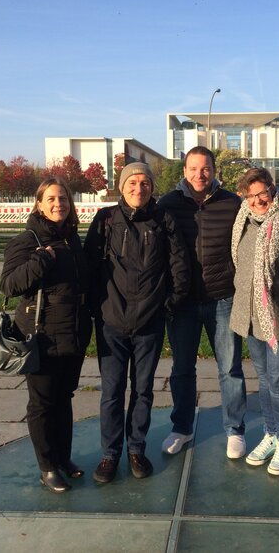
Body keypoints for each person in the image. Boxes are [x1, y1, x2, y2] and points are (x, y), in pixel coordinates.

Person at [84, 162, 189, 483]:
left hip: (150, 324)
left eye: (144, 183)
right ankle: (110, 453)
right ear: (122, 185)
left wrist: (166, 307)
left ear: (151, 187)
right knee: (112, 392)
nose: (138, 188)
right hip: (111, 323)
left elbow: (179, 267)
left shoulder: (163, 220)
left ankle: (136, 449)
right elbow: (88, 267)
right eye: (132, 182)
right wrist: (96, 308)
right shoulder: (106, 220)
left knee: (143, 391)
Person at [0, 177, 92, 493]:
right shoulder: (28, 240)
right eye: (51, 199)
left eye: (63, 199)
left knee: (64, 399)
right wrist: (39, 261)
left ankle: (63, 459)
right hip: (41, 336)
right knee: (41, 404)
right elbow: (9, 286)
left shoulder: (72, 238)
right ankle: (47, 466)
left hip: (74, 332)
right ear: (39, 203)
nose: (58, 204)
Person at [158, 146, 247, 459]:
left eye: (205, 168)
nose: (199, 175)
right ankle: (182, 427)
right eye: (193, 169)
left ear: (213, 170)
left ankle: (234, 429)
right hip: (182, 302)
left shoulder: (231, 203)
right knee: (182, 368)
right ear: (184, 171)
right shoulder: (168, 204)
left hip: (222, 297)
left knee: (230, 368)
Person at [230, 168, 279, 475]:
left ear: (273, 190)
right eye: (251, 195)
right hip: (251, 317)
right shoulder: (243, 223)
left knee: (278, 382)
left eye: (262, 193)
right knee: (264, 381)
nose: (257, 200)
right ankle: (271, 434)